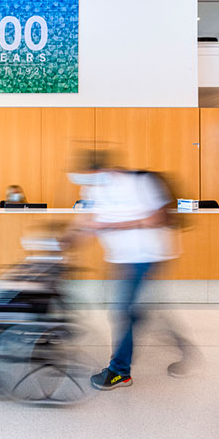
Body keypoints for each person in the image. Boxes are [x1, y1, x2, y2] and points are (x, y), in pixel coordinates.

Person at [66, 150, 177, 391]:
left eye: (94, 176)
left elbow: (157, 219)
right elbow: (88, 223)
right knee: (129, 310)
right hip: (120, 258)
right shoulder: (93, 189)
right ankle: (155, 327)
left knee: (122, 311)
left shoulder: (141, 182)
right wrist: (63, 243)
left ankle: (120, 372)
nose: (90, 183)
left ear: (107, 170)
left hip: (145, 256)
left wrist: (112, 225)